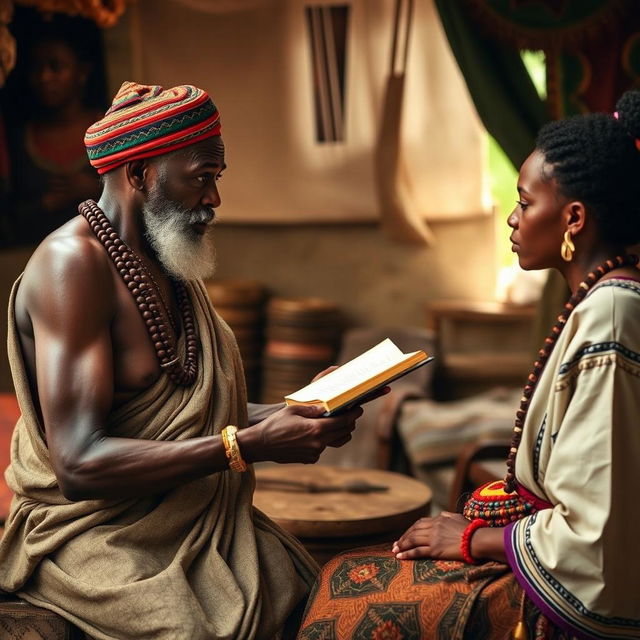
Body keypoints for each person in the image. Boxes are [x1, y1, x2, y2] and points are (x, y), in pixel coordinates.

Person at [0, 81, 366, 640]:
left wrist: (302, 408)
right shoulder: (72, 265)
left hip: (185, 518)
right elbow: (78, 465)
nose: (215, 199)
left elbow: (188, 411)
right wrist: (252, 445)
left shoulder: (162, 257)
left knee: (302, 586)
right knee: (198, 627)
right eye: (202, 178)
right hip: (94, 534)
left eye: (216, 179)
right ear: (140, 173)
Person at [298, 92, 640, 639]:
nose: (512, 217)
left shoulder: (613, 315)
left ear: (574, 218)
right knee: (341, 576)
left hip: (574, 603)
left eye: (525, 204)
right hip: (539, 551)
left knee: (350, 607)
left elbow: (596, 535)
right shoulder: (596, 304)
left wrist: (469, 540)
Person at [0, 15, 104, 247]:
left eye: (56, 67)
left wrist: (95, 189)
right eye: (37, 68)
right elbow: (7, 221)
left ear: (82, 72)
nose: (45, 77)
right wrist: (45, 204)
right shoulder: (17, 141)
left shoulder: (111, 127)